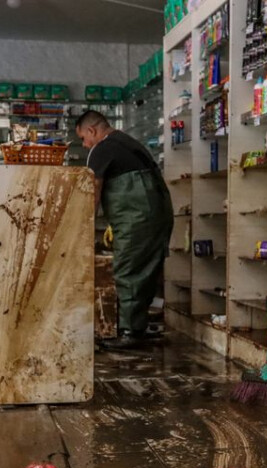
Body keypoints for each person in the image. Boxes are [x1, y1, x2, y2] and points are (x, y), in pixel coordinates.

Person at [76, 110, 174, 349]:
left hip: (137, 218)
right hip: (159, 214)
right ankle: (137, 328)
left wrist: (83, 227)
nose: (84, 144)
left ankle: (130, 332)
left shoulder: (101, 149)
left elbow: (94, 191)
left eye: (82, 138)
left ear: (92, 130)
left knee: (128, 270)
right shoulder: (128, 142)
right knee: (147, 270)